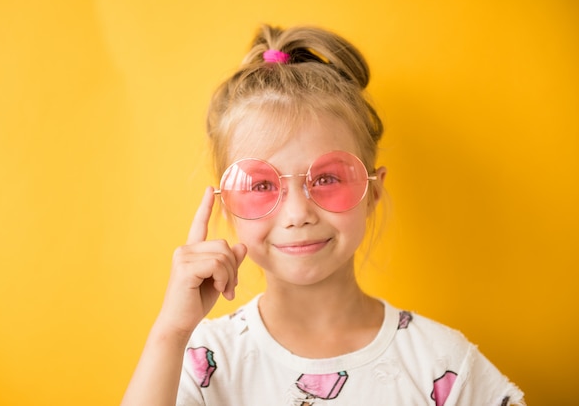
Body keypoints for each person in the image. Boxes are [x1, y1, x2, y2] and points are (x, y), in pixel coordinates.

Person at [121, 24, 525, 406]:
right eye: (262, 185)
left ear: (373, 191)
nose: (297, 214)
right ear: (227, 203)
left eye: (328, 178)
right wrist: (171, 334)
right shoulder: (199, 362)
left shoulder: (443, 365)